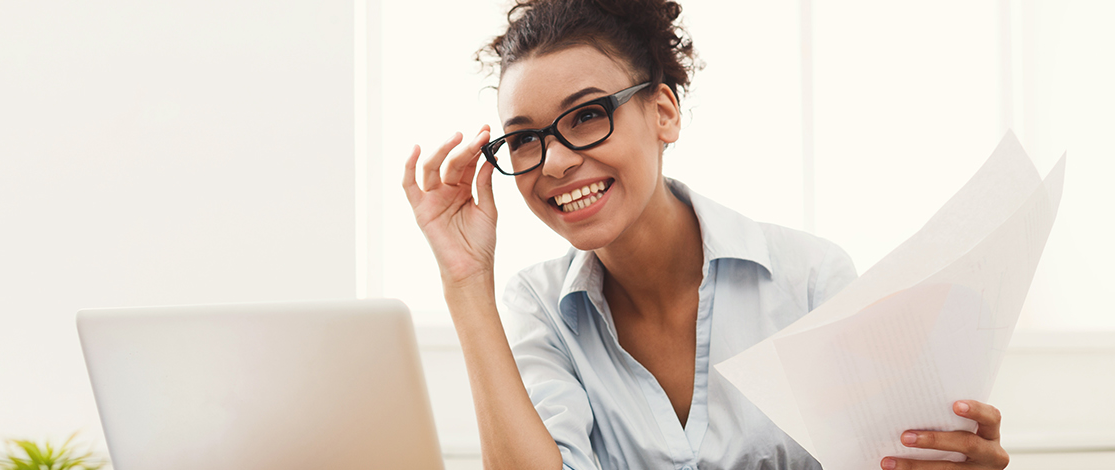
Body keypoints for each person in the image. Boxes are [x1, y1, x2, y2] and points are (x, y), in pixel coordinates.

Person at [401, 0, 1012, 469]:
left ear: (663, 113)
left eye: (587, 115)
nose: (555, 162)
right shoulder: (539, 309)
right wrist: (465, 279)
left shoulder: (808, 281)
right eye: (526, 138)